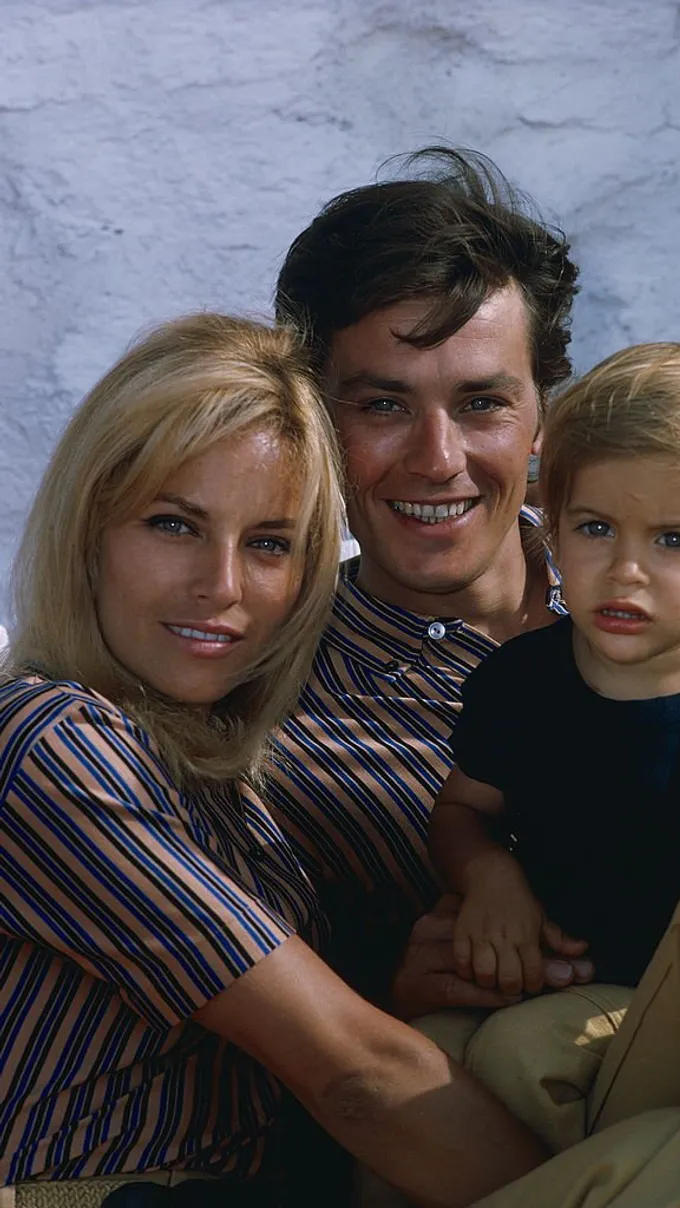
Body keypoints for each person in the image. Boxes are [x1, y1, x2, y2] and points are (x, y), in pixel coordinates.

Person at [269, 149, 680, 1205]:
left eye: (479, 402)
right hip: (520, 1113)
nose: (436, 457)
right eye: (381, 404)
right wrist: (383, 982)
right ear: (316, 420)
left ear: (542, 415)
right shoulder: (269, 701)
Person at [0, 314, 553, 1208]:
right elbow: (353, 1078)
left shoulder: (223, 775)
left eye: (268, 544)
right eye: (175, 525)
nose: (222, 587)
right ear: (89, 529)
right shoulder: (53, 742)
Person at [430, 341, 680, 999]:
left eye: (674, 540)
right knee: (485, 1057)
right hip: (570, 988)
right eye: (597, 528)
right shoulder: (521, 685)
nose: (627, 570)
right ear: (553, 528)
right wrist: (488, 877)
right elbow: (464, 810)